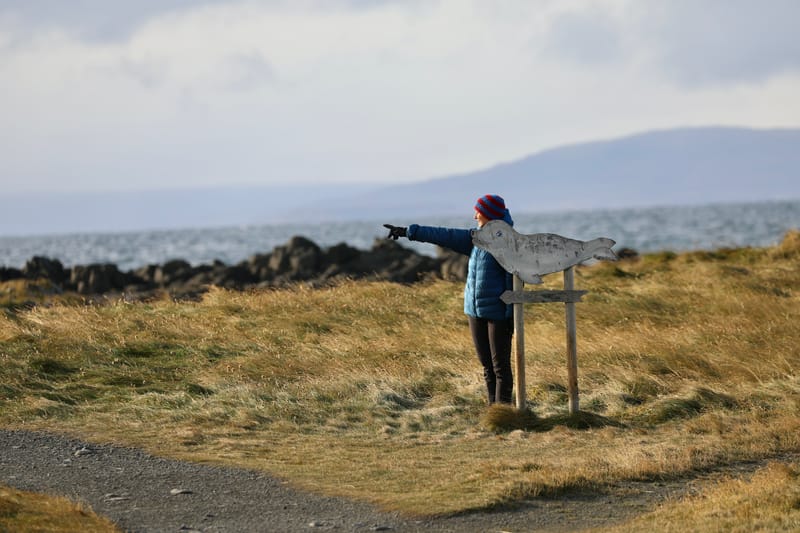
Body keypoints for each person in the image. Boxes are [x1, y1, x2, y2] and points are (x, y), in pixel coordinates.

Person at [384, 194, 515, 404]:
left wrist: (511, 316)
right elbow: (444, 235)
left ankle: (505, 414)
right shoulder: (477, 238)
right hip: (474, 311)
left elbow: (514, 281)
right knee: (487, 367)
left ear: (488, 215)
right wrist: (408, 231)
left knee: (500, 369)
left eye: (478, 212)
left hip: (498, 314)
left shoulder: (507, 242)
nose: (474, 216)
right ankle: (494, 413)